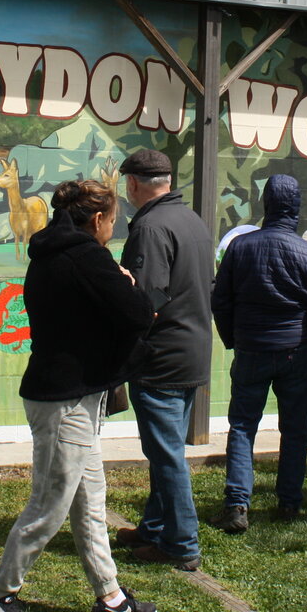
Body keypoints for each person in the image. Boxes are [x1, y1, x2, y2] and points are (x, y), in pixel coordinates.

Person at [0, 179, 157, 612]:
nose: (113, 231)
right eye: (114, 222)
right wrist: (126, 279)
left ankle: (112, 597)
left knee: (89, 501)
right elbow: (139, 314)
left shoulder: (48, 254)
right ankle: (0, 593)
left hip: (65, 397)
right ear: (97, 219)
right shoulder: (87, 258)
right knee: (49, 503)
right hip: (65, 404)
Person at [210, 174, 307, 532]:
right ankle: (289, 502)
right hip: (294, 350)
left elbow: (220, 300)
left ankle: (237, 503)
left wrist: (233, 338)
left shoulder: (240, 247)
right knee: (295, 428)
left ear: (266, 204)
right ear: (296, 209)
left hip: (252, 347)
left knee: (242, 426)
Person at [115, 147, 214, 572]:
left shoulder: (150, 228)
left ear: (134, 184)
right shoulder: (190, 219)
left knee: (167, 454)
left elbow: (146, 300)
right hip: (190, 351)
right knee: (163, 450)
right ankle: (154, 528)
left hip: (161, 358)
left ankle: (181, 544)